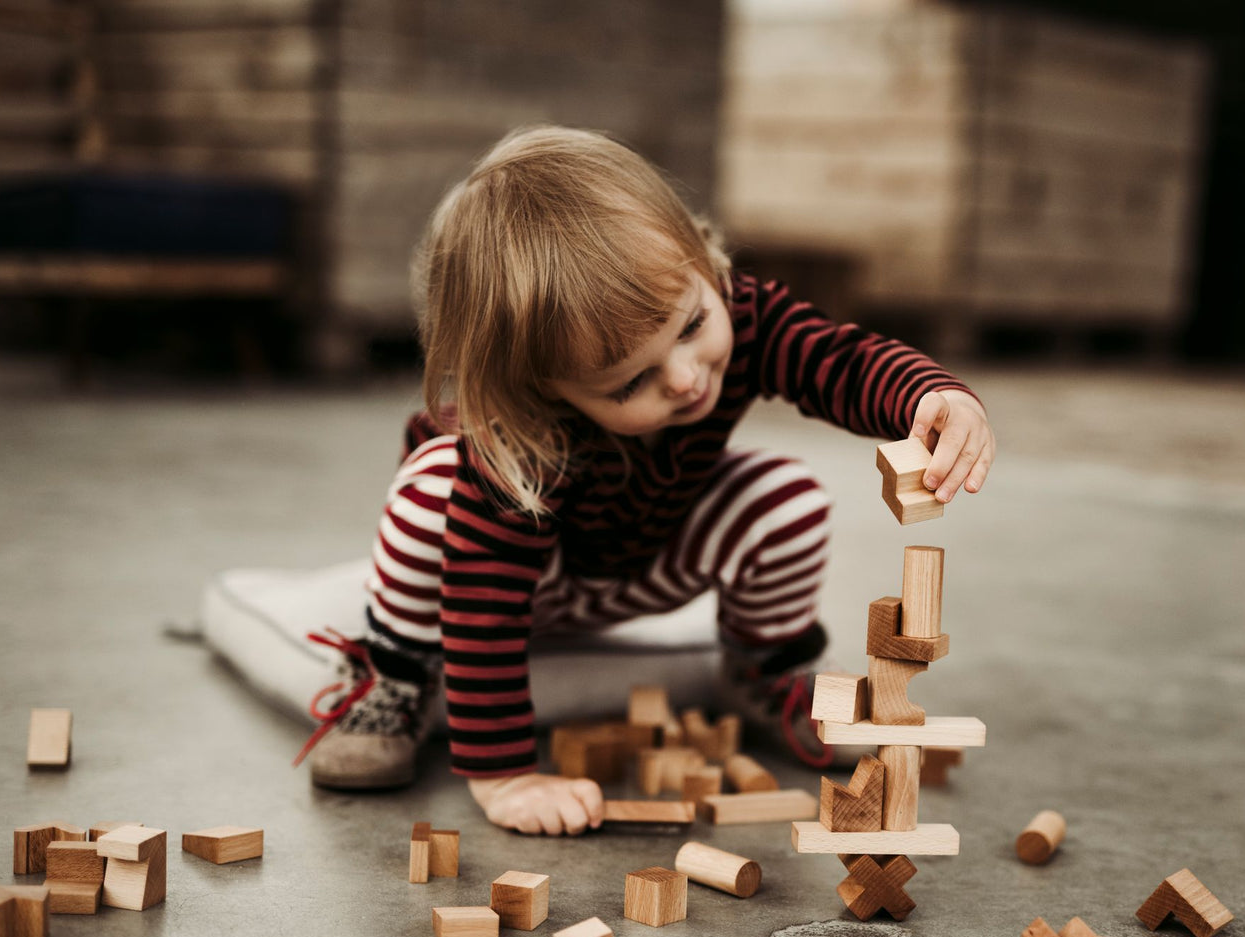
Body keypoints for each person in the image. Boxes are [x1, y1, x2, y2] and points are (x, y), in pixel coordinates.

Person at [294, 126, 995, 835]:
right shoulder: (521, 439)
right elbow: (481, 600)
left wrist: (926, 398)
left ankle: (764, 672)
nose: (686, 378)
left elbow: (835, 361)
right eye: (630, 382)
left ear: (697, 260)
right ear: (543, 386)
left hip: (641, 565)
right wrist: (505, 777)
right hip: (519, 587)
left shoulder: (737, 308)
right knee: (432, 490)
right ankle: (394, 677)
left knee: (785, 494)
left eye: (691, 325)